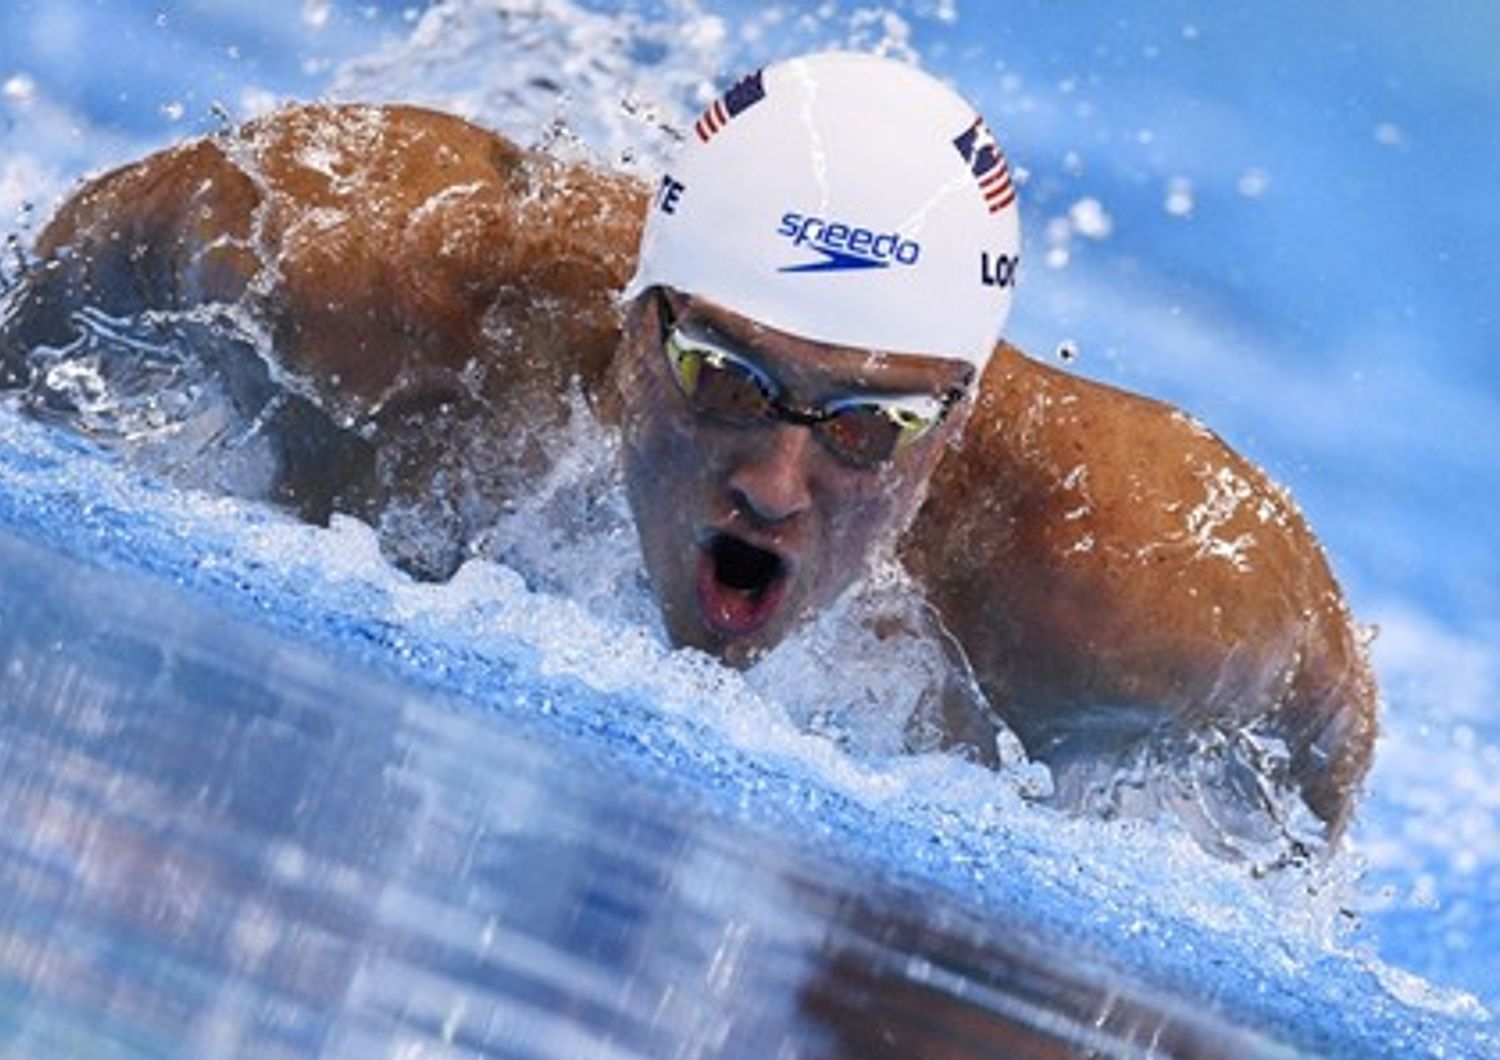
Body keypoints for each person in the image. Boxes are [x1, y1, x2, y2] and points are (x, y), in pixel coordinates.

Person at [0, 53, 1375, 859]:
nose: (774, 485)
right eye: (721, 378)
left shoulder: (1127, 578)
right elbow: (78, 269)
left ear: (947, 430)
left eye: (867, 428)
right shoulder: (368, 276)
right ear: (630, 329)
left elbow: (1322, 743)